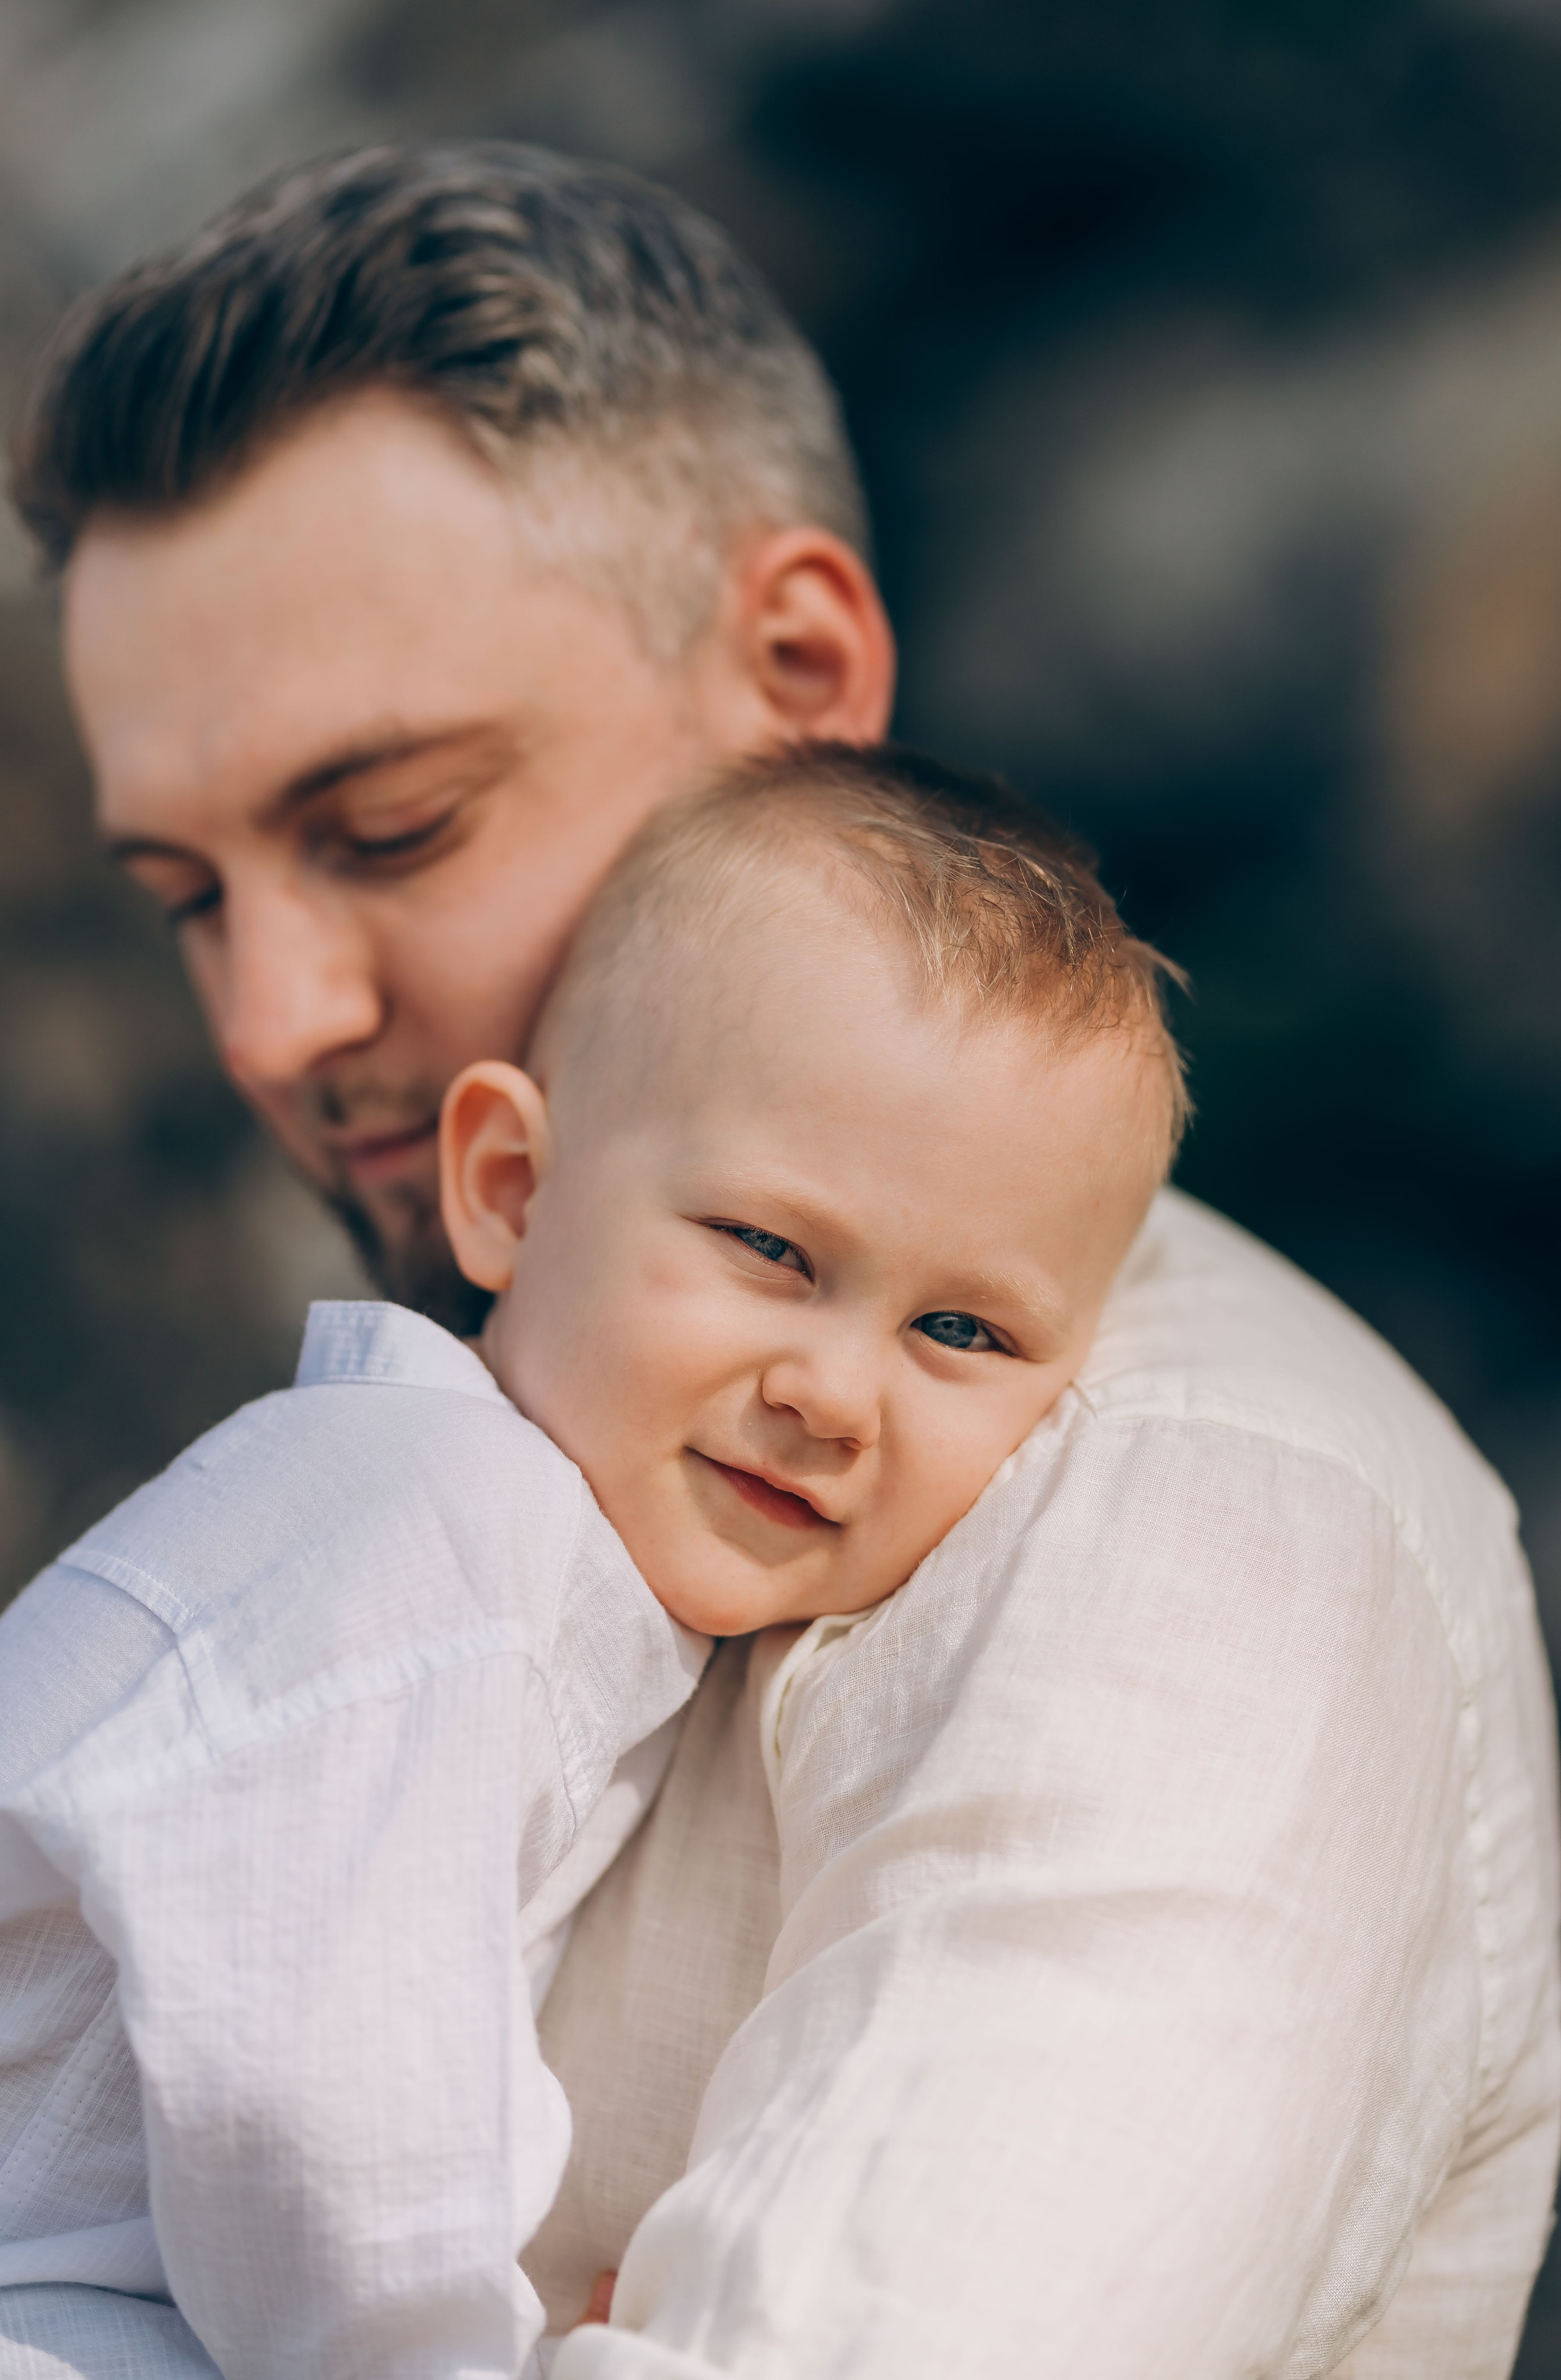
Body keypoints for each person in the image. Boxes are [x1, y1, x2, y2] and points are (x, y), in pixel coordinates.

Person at [3, 143, 1561, 2379]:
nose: (267, 1019)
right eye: (190, 891)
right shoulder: (470, 1452)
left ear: (802, 673)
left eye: (393, 828)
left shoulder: (1192, 1528)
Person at [0, 747, 1182, 2379]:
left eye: (961, 1330)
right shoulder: (425, 1541)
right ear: (512, 1193)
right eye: (769, 1250)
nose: (832, 1392)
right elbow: (325, 2111)